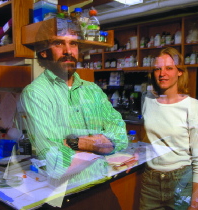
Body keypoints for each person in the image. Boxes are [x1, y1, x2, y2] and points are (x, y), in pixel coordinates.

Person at [20, 31, 127, 187]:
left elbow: (121, 137)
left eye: (73, 44)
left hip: (101, 183)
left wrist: (76, 143)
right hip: (65, 193)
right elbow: (53, 160)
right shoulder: (35, 94)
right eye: (58, 43)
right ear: (44, 53)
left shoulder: (93, 90)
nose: (68, 51)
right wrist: (99, 143)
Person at [138, 47, 198, 210]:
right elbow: (152, 140)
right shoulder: (147, 100)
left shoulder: (193, 106)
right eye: (157, 69)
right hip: (150, 182)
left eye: (169, 68)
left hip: (181, 181)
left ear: (179, 71)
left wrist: (195, 206)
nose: (162, 73)